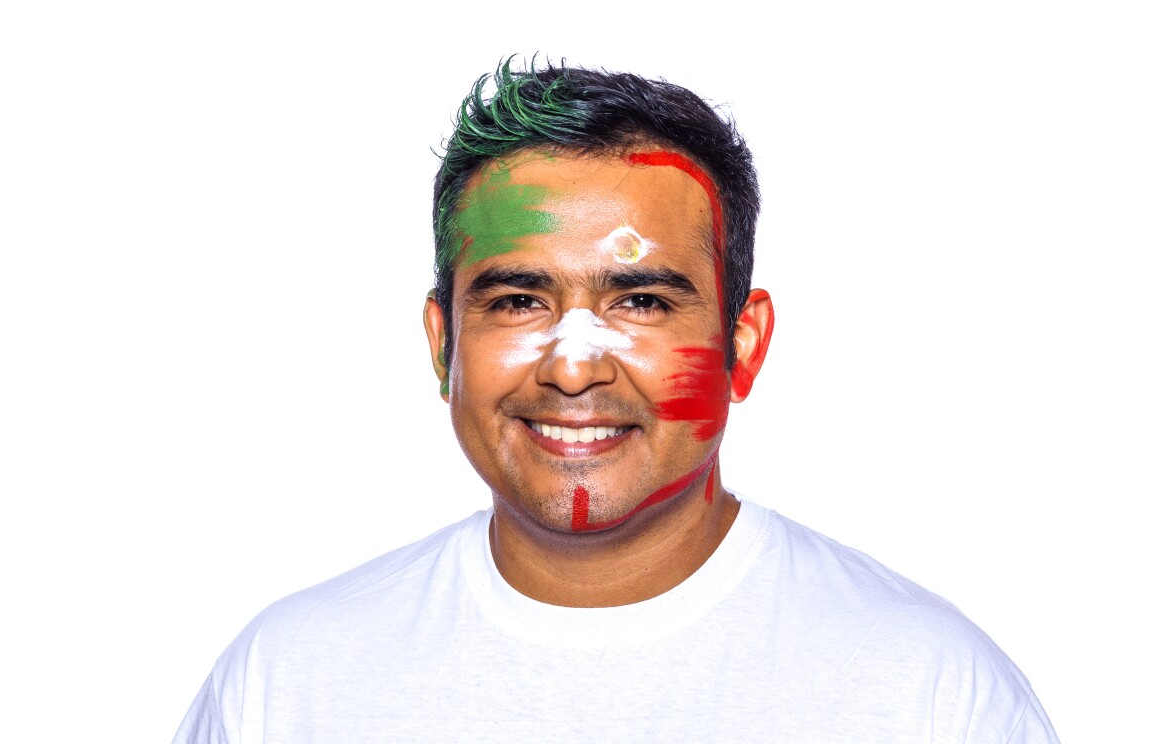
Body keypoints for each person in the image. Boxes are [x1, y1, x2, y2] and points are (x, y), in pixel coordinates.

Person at [173, 62, 1059, 743]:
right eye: (518, 301)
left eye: (640, 302)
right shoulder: (287, 684)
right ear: (443, 345)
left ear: (743, 344)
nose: (573, 369)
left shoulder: (926, 692)